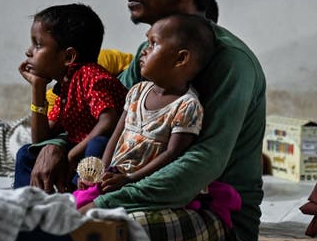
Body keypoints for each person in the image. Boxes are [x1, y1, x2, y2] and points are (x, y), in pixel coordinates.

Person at [25, 0, 266, 241]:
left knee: (86, 234)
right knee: (32, 199)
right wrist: (56, 144)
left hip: (214, 215)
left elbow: (201, 163)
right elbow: (108, 112)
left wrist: (101, 201)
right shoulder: (149, 52)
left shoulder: (232, 64)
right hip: (130, 192)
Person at [73, 14, 215, 207]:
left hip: (144, 182)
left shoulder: (186, 106)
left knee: (85, 211)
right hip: (116, 174)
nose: (143, 51)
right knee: (78, 199)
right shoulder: (138, 91)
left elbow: (172, 154)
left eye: (152, 44)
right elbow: (116, 135)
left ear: (180, 58)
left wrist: (130, 179)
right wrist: (101, 173)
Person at [13, 4, 128, 192]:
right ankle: (27, 203)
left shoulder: (91, 76)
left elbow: (108, 122)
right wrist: (38, 87)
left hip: (113, 149)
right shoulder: (65, 85)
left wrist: (72, 154)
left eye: (38, 44)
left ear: (68, 56)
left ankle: (80, 197)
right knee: (26, 153)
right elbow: (40, 139)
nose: (29, 51)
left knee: (97, 145)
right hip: (80, 148)